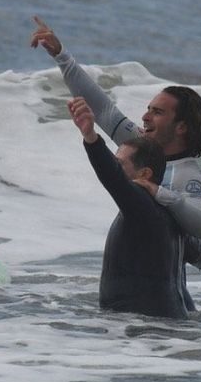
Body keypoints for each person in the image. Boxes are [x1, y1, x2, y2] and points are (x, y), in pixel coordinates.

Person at [31, 16, 201, 306]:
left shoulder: (188, 176)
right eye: (148, 109)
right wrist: (61, 55)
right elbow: (103, 108)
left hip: (166, 295)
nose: (145, 117)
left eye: (157, 112)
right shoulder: (142, 144)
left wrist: (159, 192)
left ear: (181, 127)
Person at [68, 96, 189, 318]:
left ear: (145, 174)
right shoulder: (166, 214)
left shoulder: (142, 207)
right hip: (161, 324)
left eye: (120, 163)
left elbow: (112, 176)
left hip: (141, 327)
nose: (115, 166)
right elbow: (193, 251)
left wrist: (91, 137)